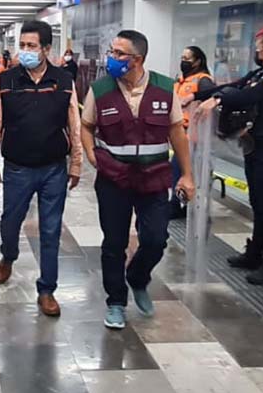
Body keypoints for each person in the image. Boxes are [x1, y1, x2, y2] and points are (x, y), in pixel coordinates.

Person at [80, 30, 195, 330]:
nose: (112, 58)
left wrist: (187, 174)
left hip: (153, 178)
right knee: (114, 244)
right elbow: (86, 126)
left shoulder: (163, 88)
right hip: (113, 179)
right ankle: (116, 301)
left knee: (156, 239)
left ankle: (138, 277)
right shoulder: (101, 89)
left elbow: (177, 134)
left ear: (138, 59)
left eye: (119, 54)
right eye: (112, 51)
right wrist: (93, 156)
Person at [0, 20, 81, 317]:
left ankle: (47, 289)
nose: (24, 51)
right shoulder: (6, 80)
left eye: (31, 46)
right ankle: (8, 254)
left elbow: (73, 126)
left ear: (47, 49)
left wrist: (76, 162)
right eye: (21, 45)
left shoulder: (63, 81)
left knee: (51, 230)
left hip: (54, 169)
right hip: (17, 168)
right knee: (10, 221)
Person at [196, 26, 263, 285]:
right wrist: (196, 96)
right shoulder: (261, 73)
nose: (255, 52)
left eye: (257, 48)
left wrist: (217, 100)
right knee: (259, 205)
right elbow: (234, 86)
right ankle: (255, 254)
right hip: (260, 149)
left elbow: (246, 96)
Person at [171, 45, 215, 218]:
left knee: (182, 171)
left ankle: (180, 207)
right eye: (182, 58)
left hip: (196, 137)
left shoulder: (204, 81)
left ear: (197, 61)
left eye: (187, 59)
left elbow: (211, 102)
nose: (183, 62)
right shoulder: (180, 80)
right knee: (178, 171)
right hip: (181, 135)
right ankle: (181, 205)